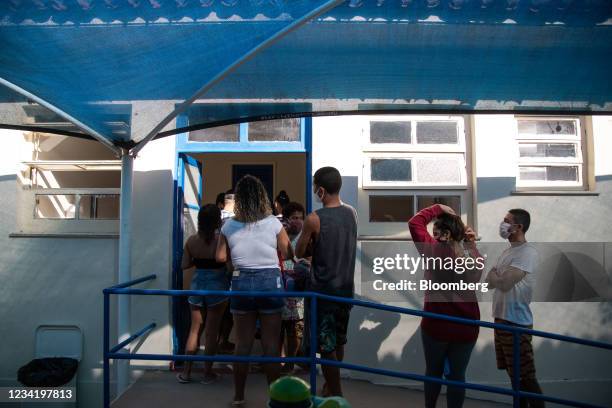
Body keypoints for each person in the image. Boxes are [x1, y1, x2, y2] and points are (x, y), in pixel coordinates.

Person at [216, 175, 294, 406]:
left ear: (239, 199)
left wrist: (235, 264)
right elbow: (288, 253)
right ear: (262, 196)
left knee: (242, 344)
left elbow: (220, 257)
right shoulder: (273, 222)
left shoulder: (228, 225)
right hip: (270, 281)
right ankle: (275, 398)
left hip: (241, 282)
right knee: (271, 345)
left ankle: (239, 397)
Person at [408, 204, 483, 408]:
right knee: (457, 376)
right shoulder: (473, 257)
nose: (434, 236)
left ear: (447, 234)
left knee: (433, 373)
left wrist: (437, 207)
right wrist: (470, 245)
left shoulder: (433, 252)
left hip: (437, 326)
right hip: (466, 326)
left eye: (437, 232)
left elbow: (415, 223)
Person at [296, 166, 357, 397]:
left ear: (321, 191)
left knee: (327, 347)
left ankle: (336, 394)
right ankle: (330, 386)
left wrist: (309, 241)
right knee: (338, 341)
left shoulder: (314, 218)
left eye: (314, 188)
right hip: (345, 290)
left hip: (323, 293)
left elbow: (299, 251)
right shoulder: (352, 212)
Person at [486, 209, 544, 408]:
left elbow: (503, 283)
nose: (502, 224)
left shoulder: (527, 253)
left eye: (506, 221)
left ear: (518, 227)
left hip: (516, 322)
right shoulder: (507, 252)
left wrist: (496, 275)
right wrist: (496, 276)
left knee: (526, 377)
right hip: (501, 319)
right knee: (514, 376)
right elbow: (489, 281)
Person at [178, 204, 229, 385]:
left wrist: (199, 260)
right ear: (218, 220)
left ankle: (186, 373)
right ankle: (207, 374)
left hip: (197, 286)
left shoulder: (191, 241)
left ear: (199, 220)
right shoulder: (222, 240)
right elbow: (228, 264)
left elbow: (184, 265)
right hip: (218, 288)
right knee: (211, 332)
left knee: (194, 330)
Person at [279, 201, 306, 373]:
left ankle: (290, 363)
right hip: (279, 289)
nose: (298, 221)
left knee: (295, 329)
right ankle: (277, 362)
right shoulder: (279, 236)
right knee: (277, 330)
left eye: (300, 218)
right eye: (294, 218)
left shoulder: (305, 237)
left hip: (298, 292)